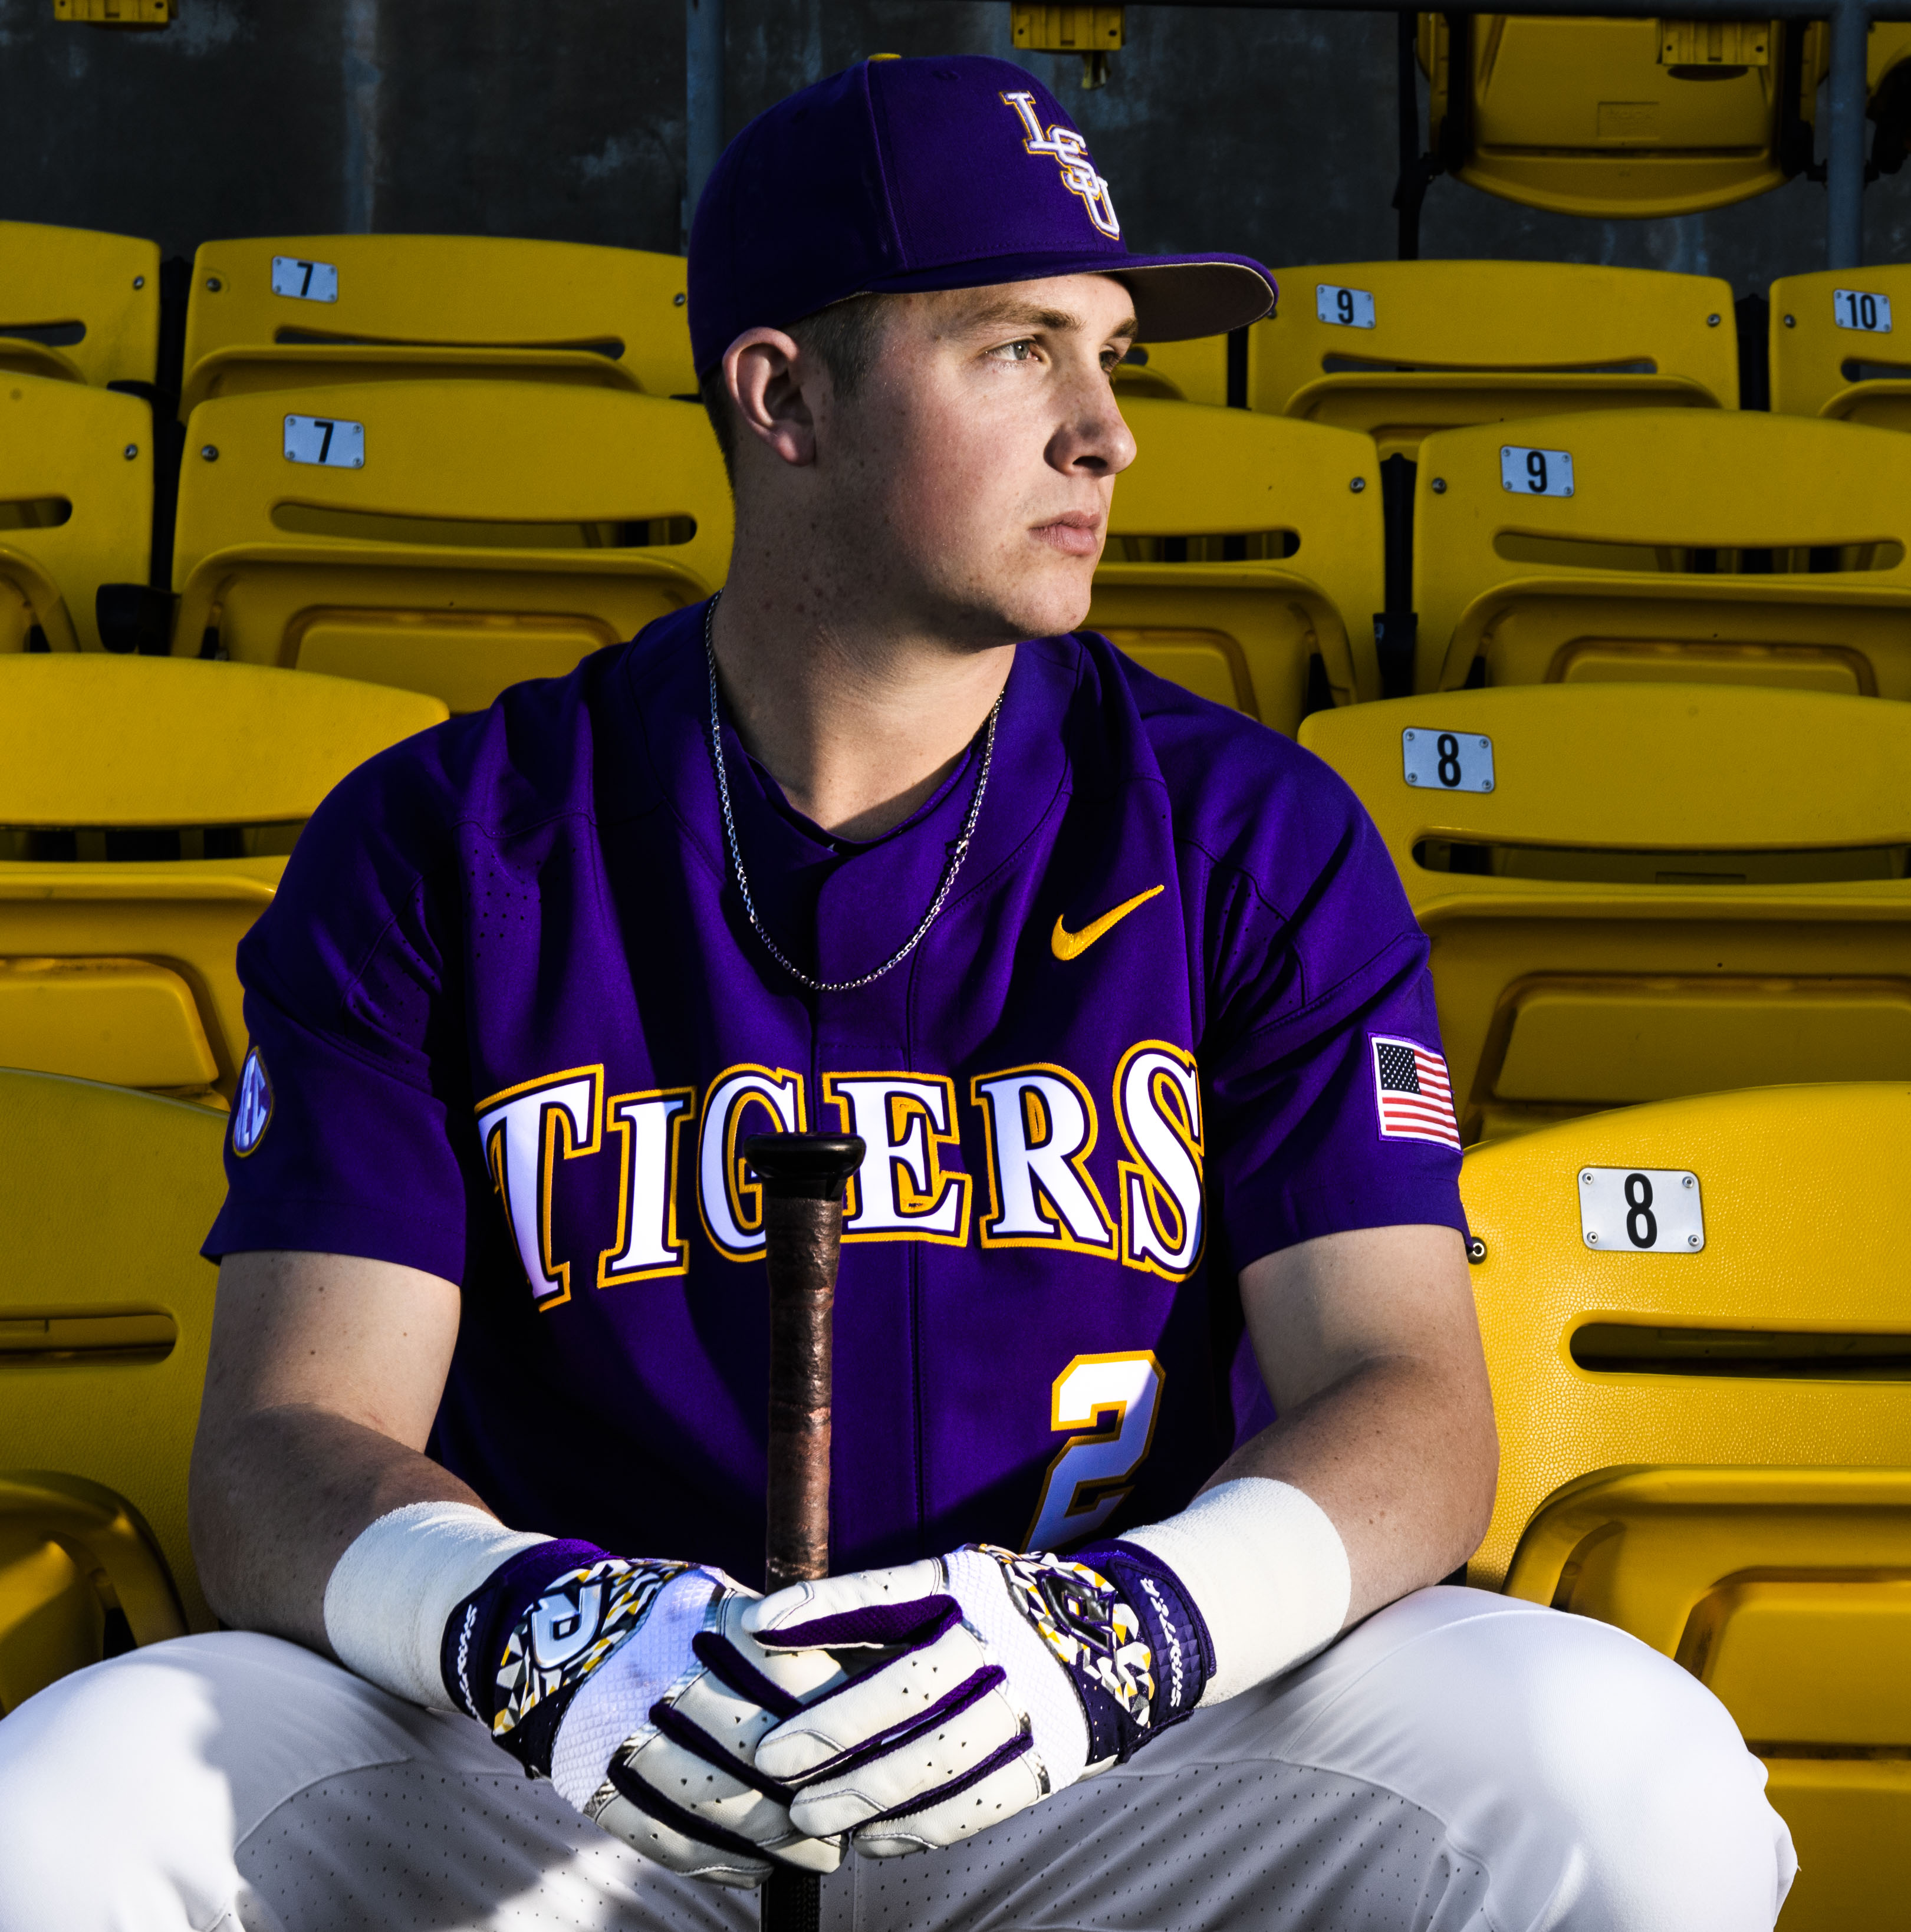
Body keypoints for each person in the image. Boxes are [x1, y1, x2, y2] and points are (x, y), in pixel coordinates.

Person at [0, 56, 1796, 1932]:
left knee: (1621, 1767)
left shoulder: (1253, 831)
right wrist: (519, 1632)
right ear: (784, 398)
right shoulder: (447, 840)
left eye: (1114, 359)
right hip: (576, 1760)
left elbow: (1406, 1388)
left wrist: (1140, 1632)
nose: (1106, 434)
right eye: (1022, 350)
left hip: (1105, 1750)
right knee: (69, 1798)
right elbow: (287, 1444)